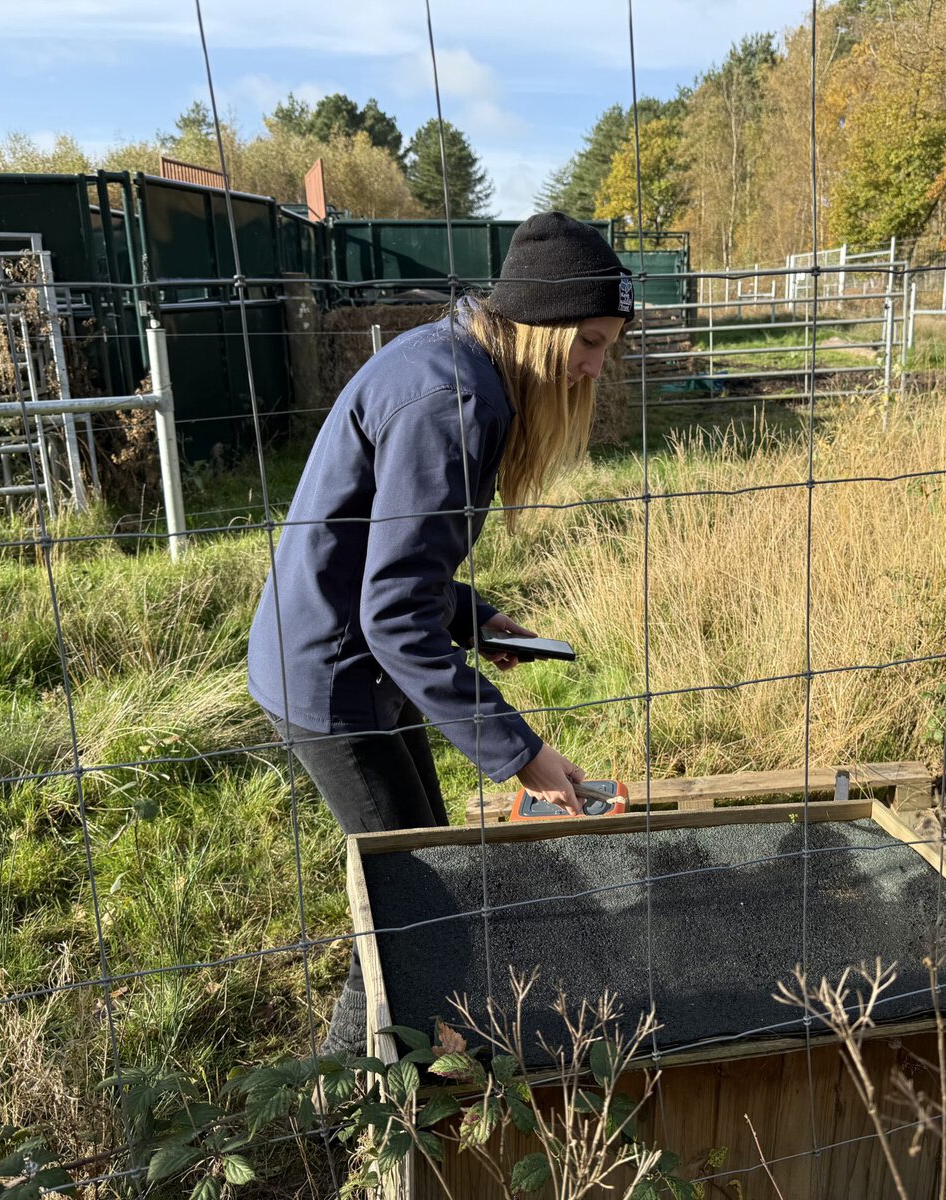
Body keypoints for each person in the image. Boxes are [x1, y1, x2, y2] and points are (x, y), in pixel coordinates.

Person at [246, 211, 633, 1054]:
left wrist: (472, 616)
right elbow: (392, 616)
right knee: (412, 908)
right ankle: (356, 1096)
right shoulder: (456, 399)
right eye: (591, 343)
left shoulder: (451, 359)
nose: (595, 370)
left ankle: (401, 1066)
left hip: (346, 655)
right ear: (542, 323)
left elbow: (388, 561)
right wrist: (522, 753)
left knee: (423, 889)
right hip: (334, 677)